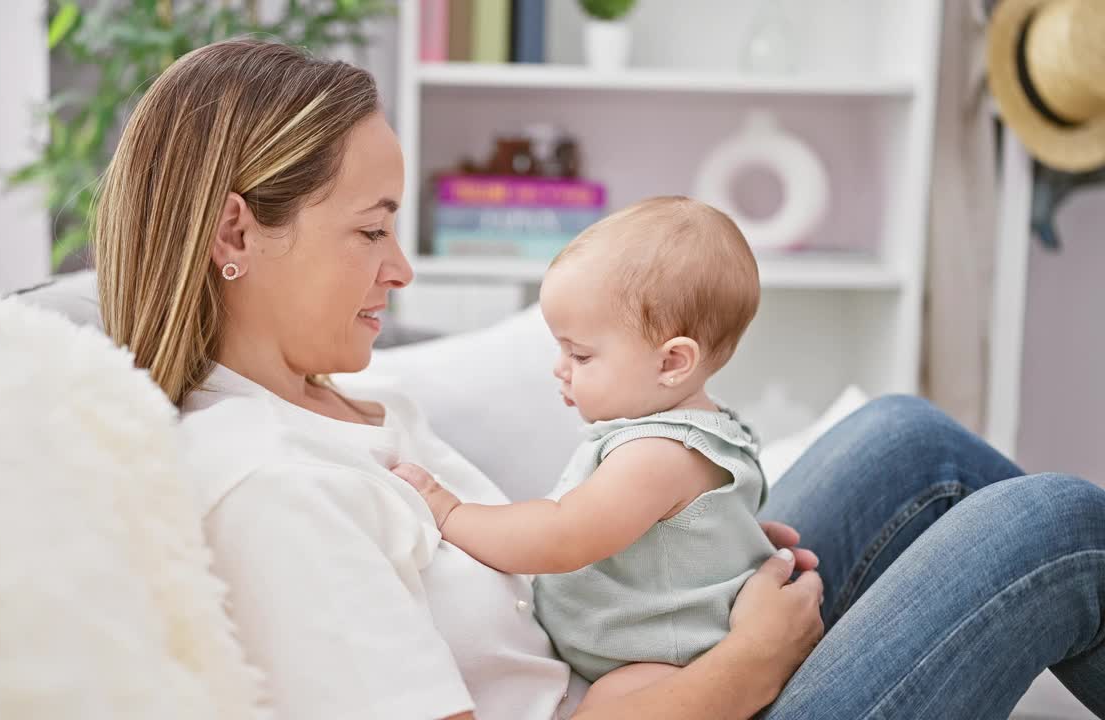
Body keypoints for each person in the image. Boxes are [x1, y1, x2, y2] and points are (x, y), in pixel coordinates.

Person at [93, 38, 1105, 720]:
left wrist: (700, 546)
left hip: (642, 664)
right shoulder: (264, 484)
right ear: (236, 232)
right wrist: (739, 669)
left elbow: (541, 573)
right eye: (370, 229)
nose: (398, 268)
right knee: (1054, 527)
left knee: (904, 442)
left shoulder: (353, 405)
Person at [393, 196, 779, 709]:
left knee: (610, 702)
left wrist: (452, 512)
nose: (560, 367)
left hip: (670, 657)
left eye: (580, 354)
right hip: (656, 637)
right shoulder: (702, 427)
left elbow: (561, 534)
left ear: (673, 363)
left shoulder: (657, 453)